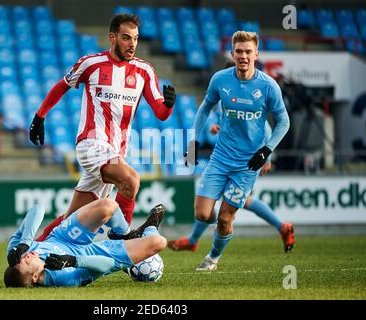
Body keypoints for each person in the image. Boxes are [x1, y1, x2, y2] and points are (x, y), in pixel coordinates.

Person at [28, 13, 176, 241]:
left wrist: (169, 105)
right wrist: (40, 117)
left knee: (73, 219)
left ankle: (31, 251)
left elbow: (161, 113)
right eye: (126, 38)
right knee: (131, 180)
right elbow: (62, 86)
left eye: (135, 39)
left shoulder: (144, 71)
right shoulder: (91, 64)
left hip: (115, 153)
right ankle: (123, 237)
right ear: (113, 38)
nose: (132, 44)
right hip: (91, 145)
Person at [182, 31, 290, 271]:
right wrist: (193, 142)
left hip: (247, 164)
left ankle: (212, 258)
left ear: (256, 54)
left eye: (248, 52)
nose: (243, 56)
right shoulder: (220, 80)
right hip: (220, 158)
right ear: (232, 53)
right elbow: (204, 108)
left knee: (225, 218)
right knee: (202, 214)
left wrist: (266, 151)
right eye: (239, 51)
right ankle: (199, 236)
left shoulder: (268, 86)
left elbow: (283, 122)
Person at [168, 62, 295, 253]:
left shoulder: (244, 93)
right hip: (229, 156)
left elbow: (264, 127)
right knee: (234, 201)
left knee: (235, 202)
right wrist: (218, 128)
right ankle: (281, 226)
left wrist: (268, 157)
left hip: (250, 159)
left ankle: (195, 240)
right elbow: (234, 123)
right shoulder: (225, 95)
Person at [4, 200, 166, 288]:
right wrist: (73, 261)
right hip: (90, 254)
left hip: (63, 238)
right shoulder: (62, 278)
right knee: (158, 242)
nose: (26, 256)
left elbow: (38, 209)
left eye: (22, 257)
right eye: (26, 262)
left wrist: (24, 243)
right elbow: (107, 265)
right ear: (34, 277)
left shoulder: (17, 252)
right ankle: (150, 228)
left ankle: (124, 234)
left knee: (108, 206)